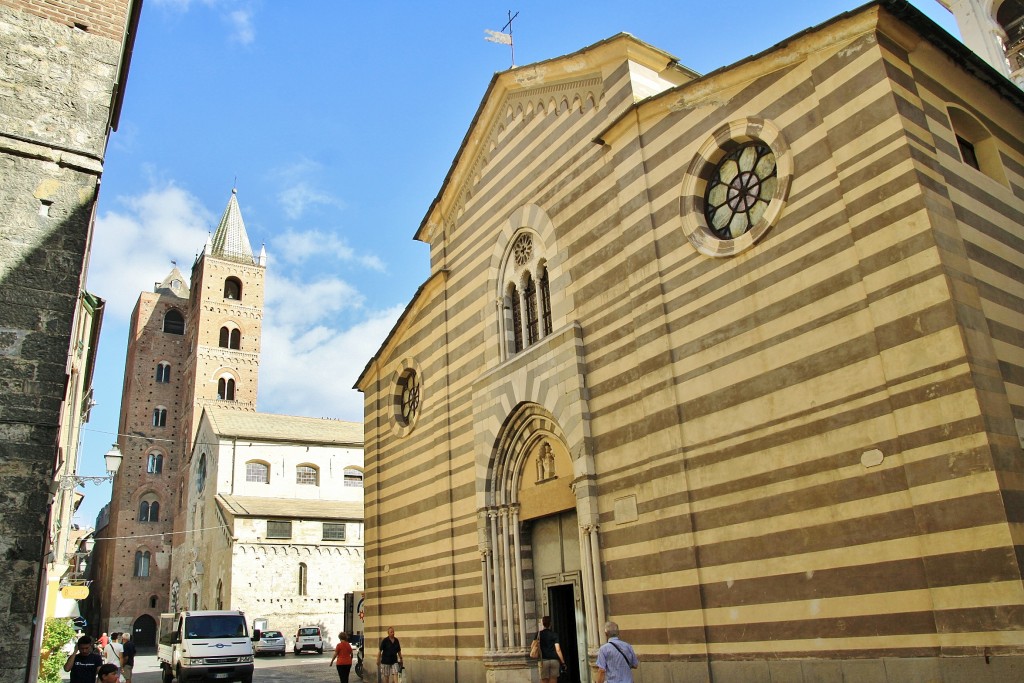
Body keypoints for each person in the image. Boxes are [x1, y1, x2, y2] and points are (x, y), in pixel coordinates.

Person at [537, 616, 565, 683]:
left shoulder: (539, 635)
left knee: (543, 680)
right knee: (553, 680)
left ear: (542, 623)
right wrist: (563, 662)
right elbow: (558, 650)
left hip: (543, 661)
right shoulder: (554, 635)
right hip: (554, 661)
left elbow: (533, 645)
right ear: (550, 624)